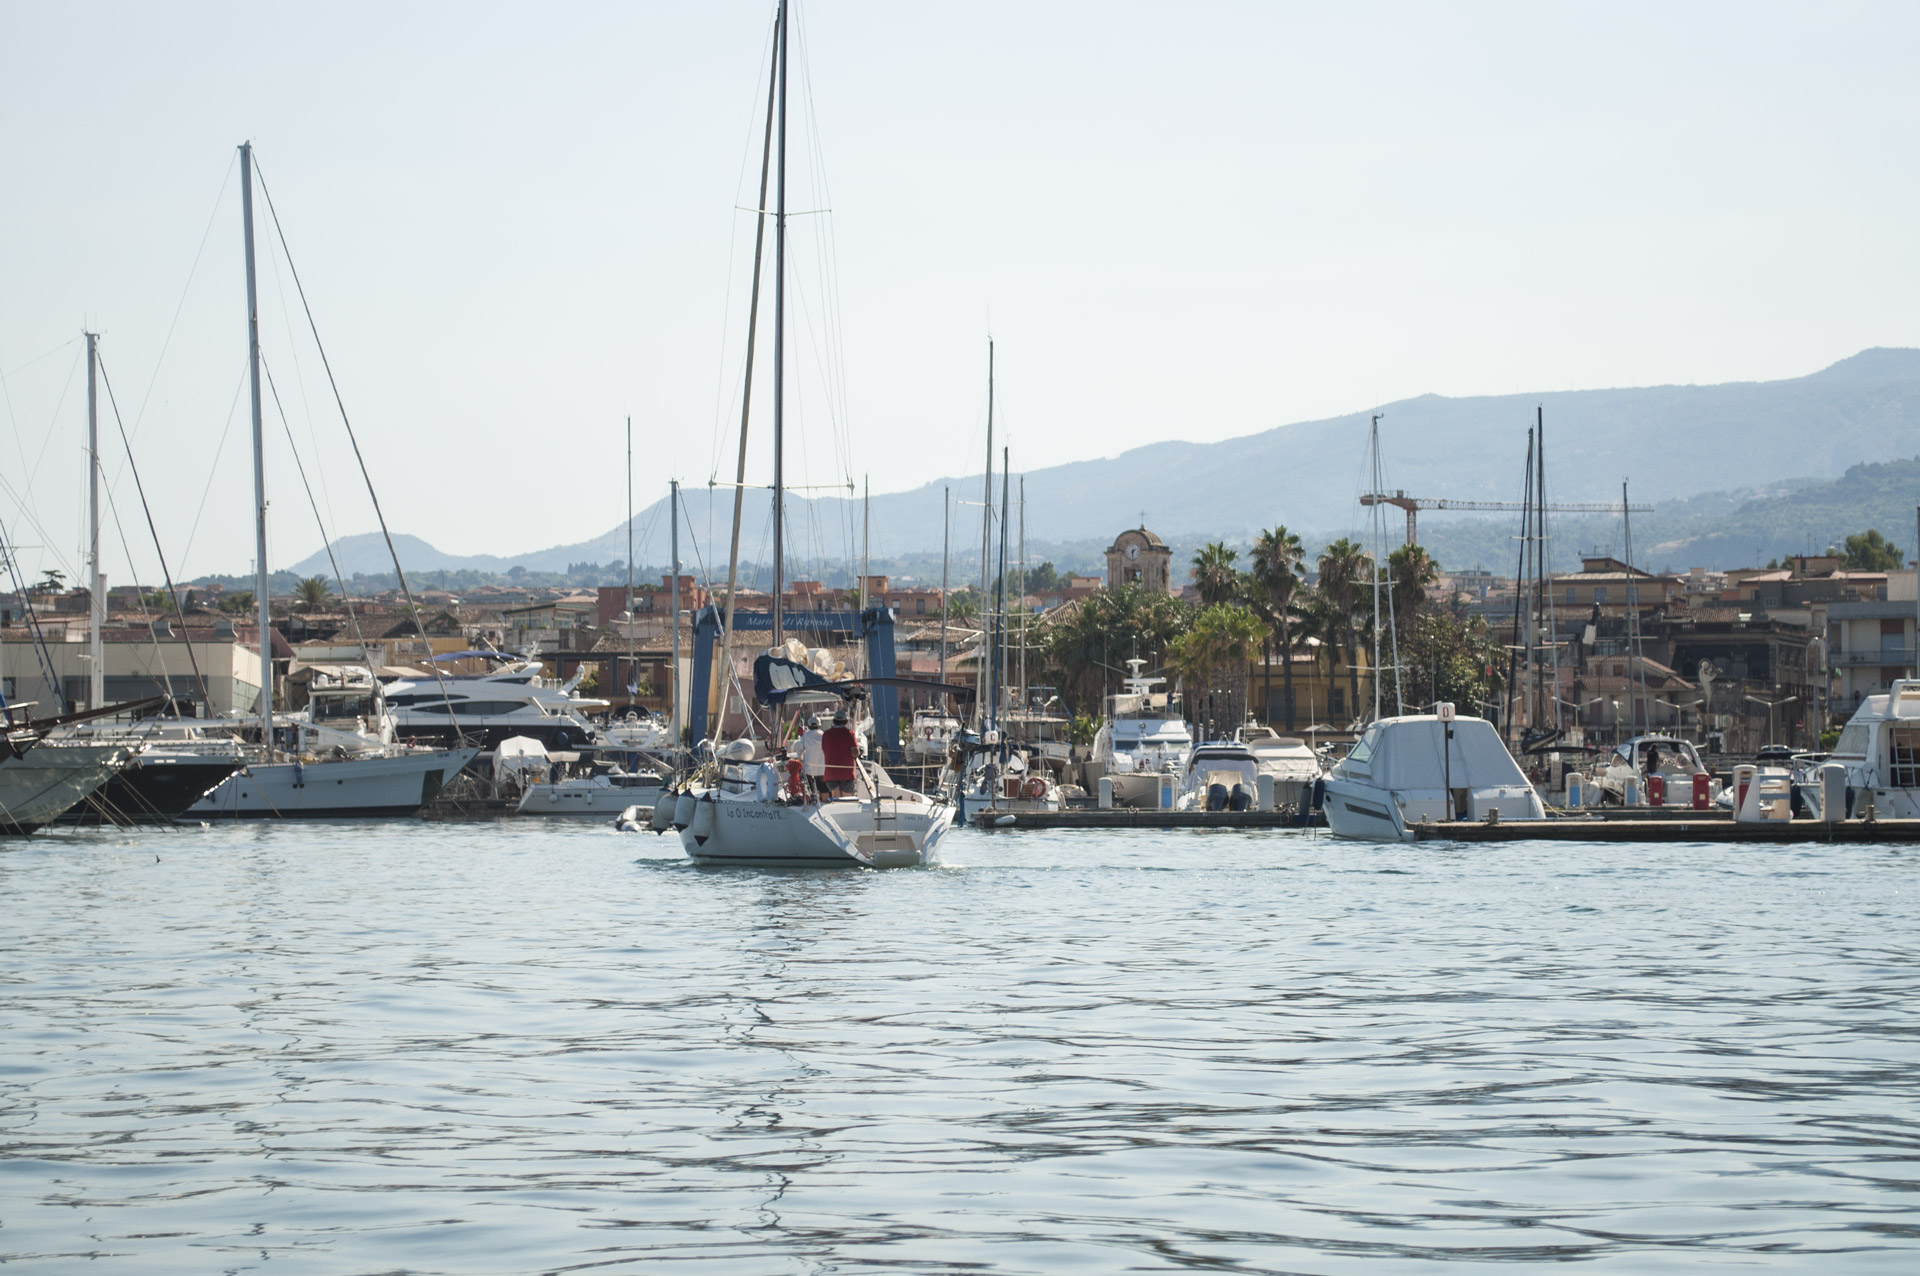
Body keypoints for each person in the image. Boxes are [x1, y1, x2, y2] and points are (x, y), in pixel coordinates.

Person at [821, 708, 858, 798]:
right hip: (846, 772)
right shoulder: (850, 734)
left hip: (831, 771)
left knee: (835, 797)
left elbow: (824, 749)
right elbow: (855, 753)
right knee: (847, 798)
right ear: (845, 721)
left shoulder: (826, 734)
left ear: (834, 720)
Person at [797, 715, 826, 799]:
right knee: (825, 790)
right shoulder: (824, 736)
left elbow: (799, 751)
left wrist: (801, 759)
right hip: (823, 770)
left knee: (814, 791)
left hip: (810, 770)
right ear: (820, 726)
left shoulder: (805, 736)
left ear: (809, 726)